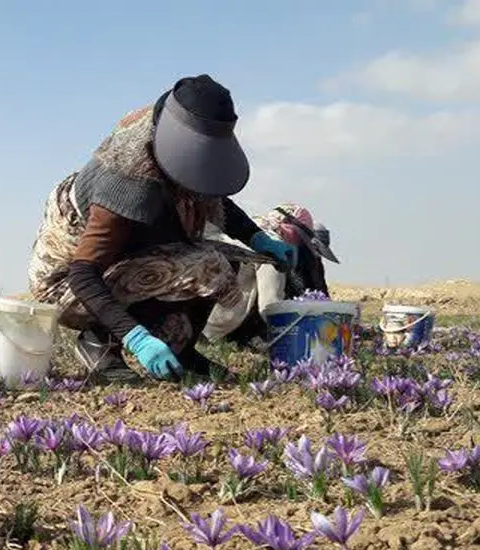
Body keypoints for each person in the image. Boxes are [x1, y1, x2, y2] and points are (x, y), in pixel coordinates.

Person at [27, 74, 297, 382]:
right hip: (66, 287)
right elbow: (83, 273)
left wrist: (257, 237)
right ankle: (101, 342)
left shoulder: (171, 131)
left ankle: (181, 350)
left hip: (120, 259)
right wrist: (135, 337)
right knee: (207, 264)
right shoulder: (128, 182)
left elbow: (209, 191)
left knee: (229, 257)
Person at [205, 203, 340, 347]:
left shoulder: (251, 230)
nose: (299, 243)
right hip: (222, 328)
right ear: (285, 224)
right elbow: (270, 307)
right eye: (299, 237)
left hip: (204, 322)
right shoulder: (273, 245)